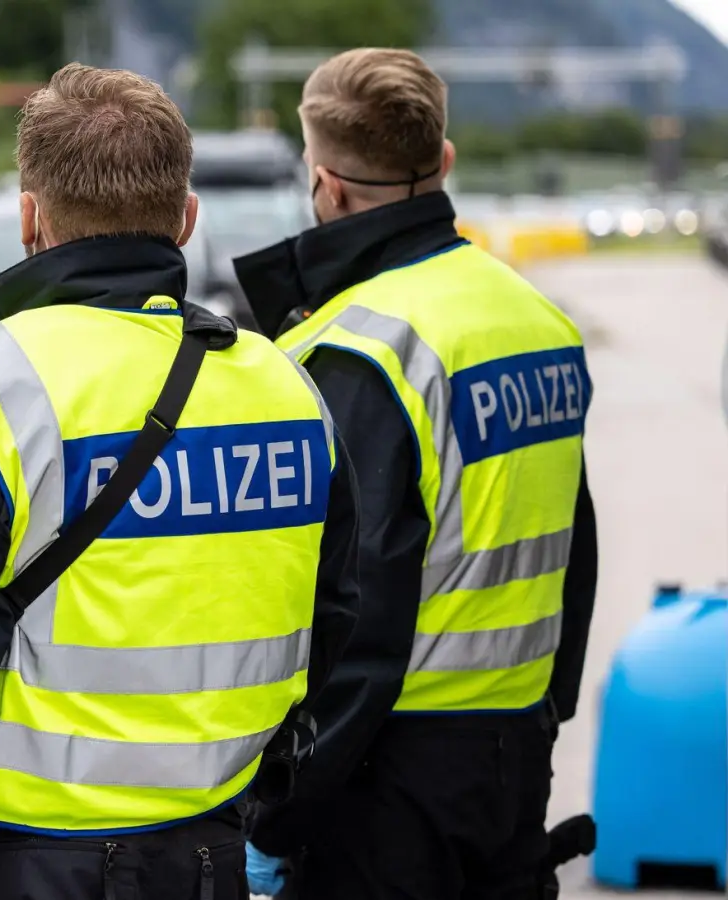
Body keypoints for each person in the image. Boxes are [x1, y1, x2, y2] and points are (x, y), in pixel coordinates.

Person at [0, 63, 364, 900]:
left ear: (30, 219)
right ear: (187, 220)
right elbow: (337, 625)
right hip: (212, 856)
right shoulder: (286, 390)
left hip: (24, 867)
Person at [233, 48, 600, 900]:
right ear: (443, 162)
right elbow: (574, 548)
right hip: (516, 750)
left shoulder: (358, 352)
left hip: (386, 776)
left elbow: (357, 615)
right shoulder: (538, 319)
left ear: (324, 185)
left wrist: (279, 813)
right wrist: (544, 714)